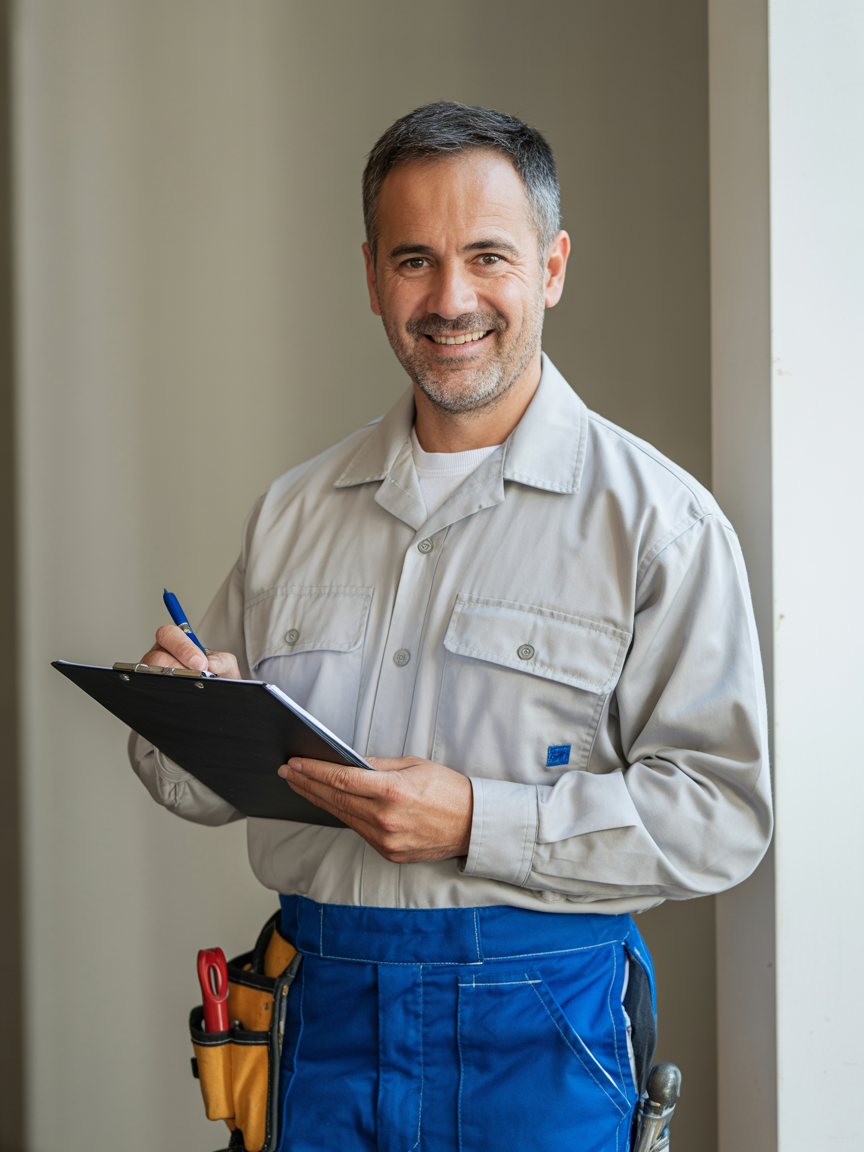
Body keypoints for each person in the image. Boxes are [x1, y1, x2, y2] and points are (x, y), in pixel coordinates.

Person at [130, 102, 772, 1151]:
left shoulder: (661, 522)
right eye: (416, 260)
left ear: (552, 267)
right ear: (374, 276)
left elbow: (722, 814)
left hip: (544, 1028)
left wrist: (479, 820)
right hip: (316, 1013)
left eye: (488, 257)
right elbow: (192, 785)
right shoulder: (292, 514)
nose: (451, 299)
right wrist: (186, 708)